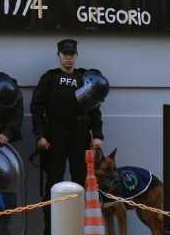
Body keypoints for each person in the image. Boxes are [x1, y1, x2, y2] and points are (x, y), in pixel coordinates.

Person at [31, 39, 104, 235]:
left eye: (72, 54)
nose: (68, 58)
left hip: (80, 134)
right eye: (65, 54)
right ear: (59, 55)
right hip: (55, 134)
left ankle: (78, 228)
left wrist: (97, 135)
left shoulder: (84, 78)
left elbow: (94, 109)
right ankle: (50, 229)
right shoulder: (49, 79)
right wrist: (39, 135)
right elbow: (36, 108)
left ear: (76, 56)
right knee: (53, 182)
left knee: (81, 181)